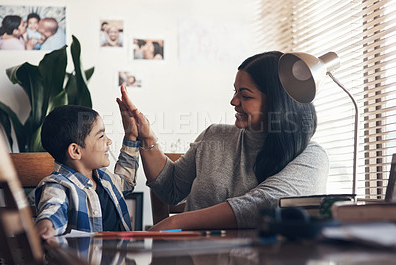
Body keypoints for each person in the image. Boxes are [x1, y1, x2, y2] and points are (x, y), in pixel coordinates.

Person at [120, 51, 329, 230]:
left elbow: (267, 202)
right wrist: (146, 137)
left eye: (245, 96)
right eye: (235, 91)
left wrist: (177, 222)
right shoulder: (214, 136)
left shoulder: (311, 156)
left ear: (277, 103)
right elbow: (171, 189)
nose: (233, 101)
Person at [35, 103, 140, 239]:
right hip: (85, 260)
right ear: (76, 151)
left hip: (119, 258)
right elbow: (53, 209)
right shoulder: (58, 186)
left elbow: (125, 182)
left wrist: (131, 135)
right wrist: (46, 226)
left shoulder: (104, 177)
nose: (109, 141)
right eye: (101, 136)